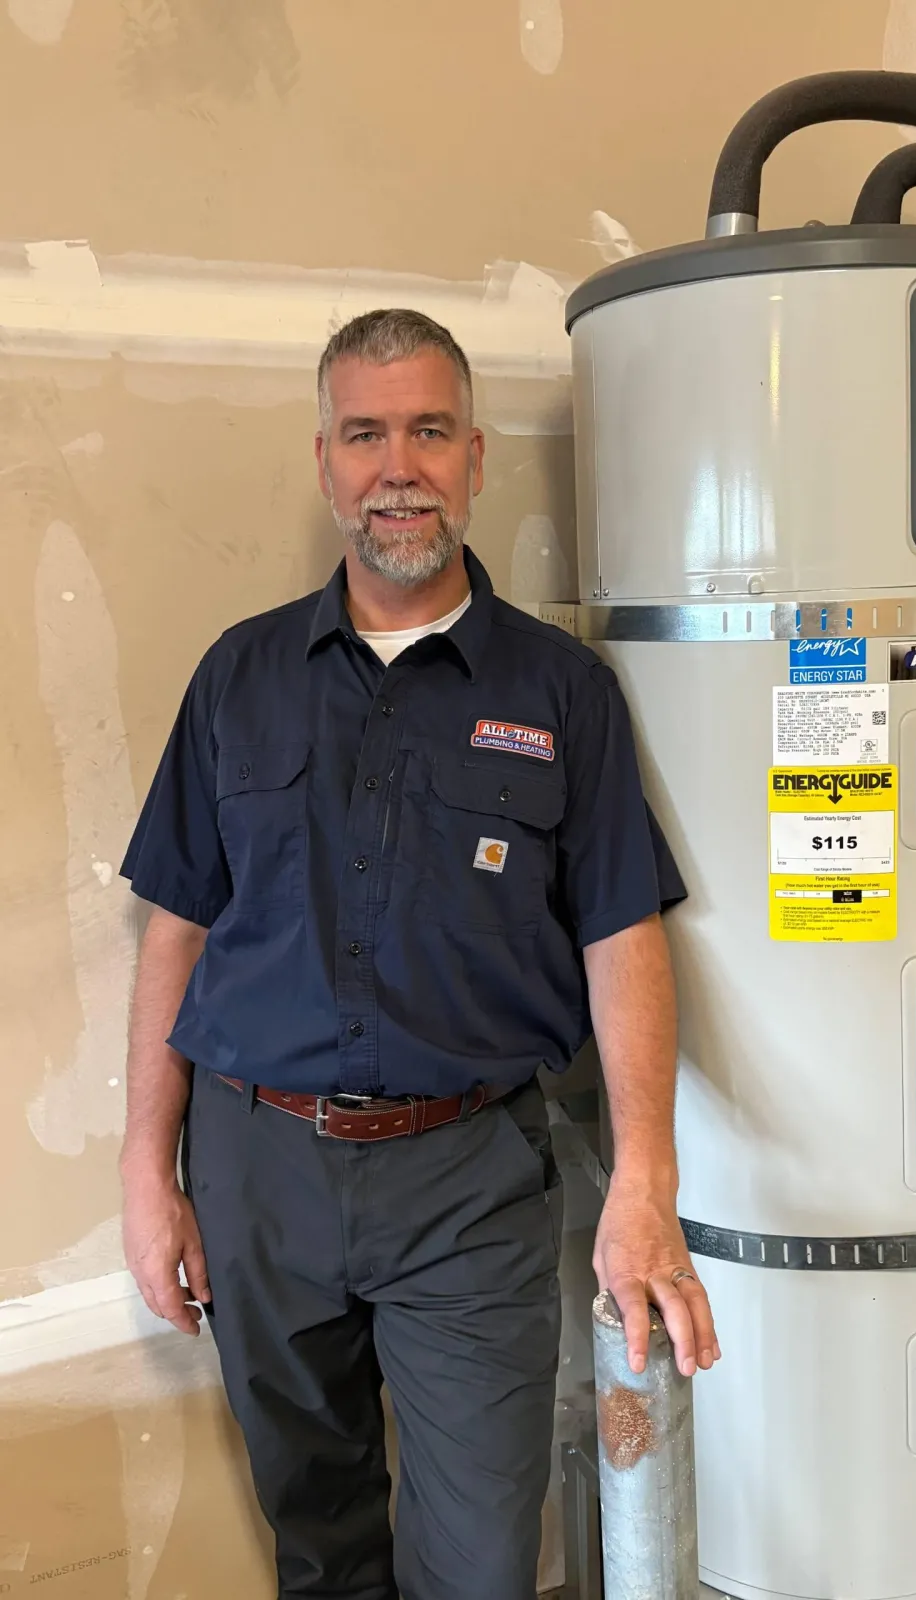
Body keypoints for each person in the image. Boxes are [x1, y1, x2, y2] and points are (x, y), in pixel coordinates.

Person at [118, 308, 718, 1600]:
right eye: (366, 435)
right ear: (325, 463)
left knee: (482, 1561)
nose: (399, 469)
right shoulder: (239, 676)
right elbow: (179, 925)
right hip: (257, 1170)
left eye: (430, 432)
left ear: (475, 458)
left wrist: (645, 1184)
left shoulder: (562, 692)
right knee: (317, 1532)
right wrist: (145, 1171)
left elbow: (622, 933)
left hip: (468, 1186)